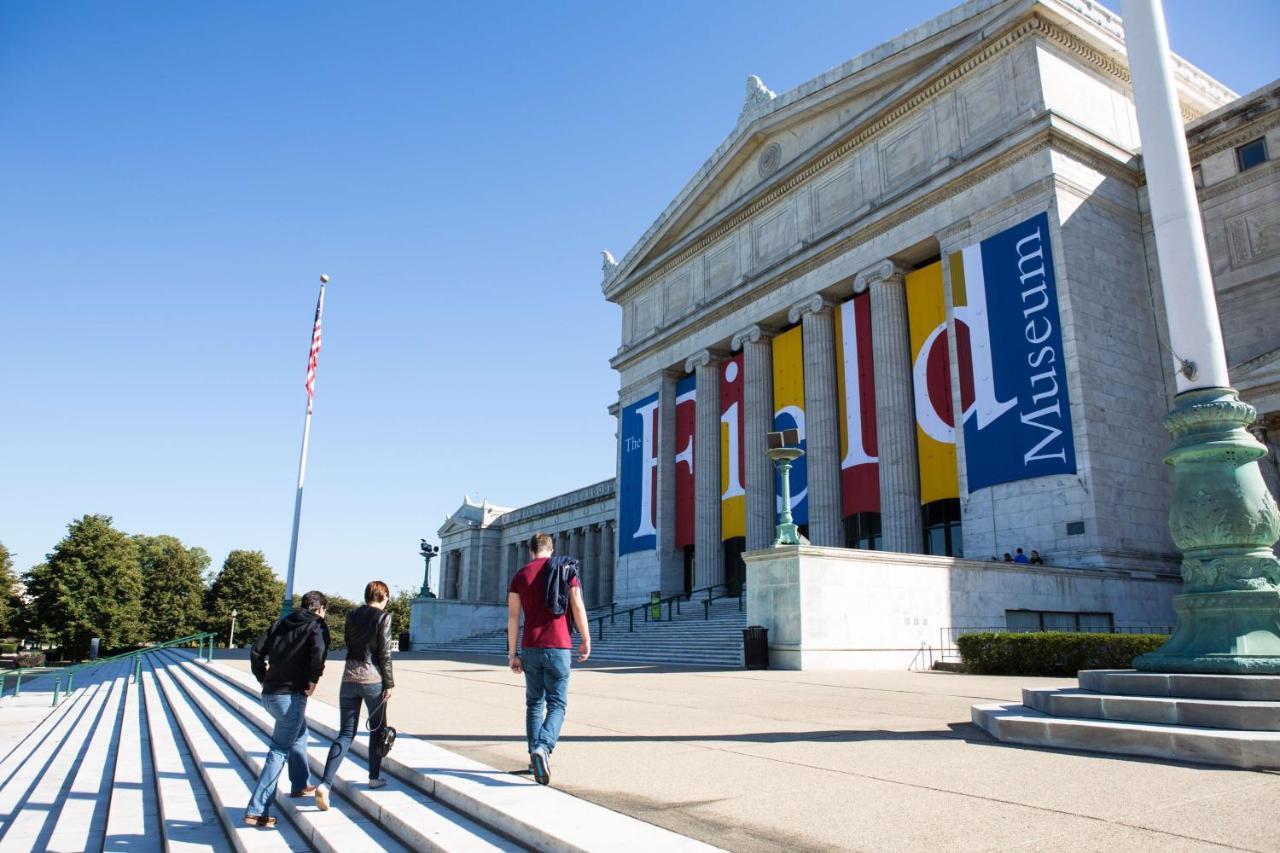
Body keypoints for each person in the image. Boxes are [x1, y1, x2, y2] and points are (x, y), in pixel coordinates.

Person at [507, 532, 591, 786]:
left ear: (531, 551)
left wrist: (512, 653)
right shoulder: (566, 570)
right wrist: (586, 638)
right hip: (559, 645)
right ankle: (543, 748)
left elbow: (513, 617)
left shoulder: (520, 575)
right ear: (551, 549)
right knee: (557, 704)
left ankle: (535, 755)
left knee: (534, 703)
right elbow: (576, 604)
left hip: (530, 646)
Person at [245, 590, 330, 829]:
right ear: (320, 608)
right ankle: (258, 809)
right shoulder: (316, 625)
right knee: (279, 750)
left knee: (300, 734)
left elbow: (256, 651)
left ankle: (300, 783)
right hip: (291, 695)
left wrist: (263, 676)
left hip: (270, 692)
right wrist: (313, 679)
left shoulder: (281, 622)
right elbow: (319, 653)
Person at [315, 580, 396, 809]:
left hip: (349, 677)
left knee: (345, 733)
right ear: (383, 596)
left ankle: (325, 784)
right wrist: (389, 683)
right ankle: (373, 777)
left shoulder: (351, 615)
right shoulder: (383, 617)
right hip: (372, 679)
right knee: (378, 729)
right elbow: (385, 653)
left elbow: (351, 644)